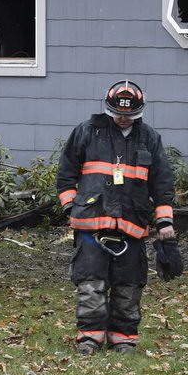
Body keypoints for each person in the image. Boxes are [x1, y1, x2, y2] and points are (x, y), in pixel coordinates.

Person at [56, 80, 175, 355]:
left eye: (129, 115)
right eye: (118, 113)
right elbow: (65, 175)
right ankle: (90, 338)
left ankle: (123, 338)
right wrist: (69, 207)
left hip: (132, 224)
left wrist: (164, 221)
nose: (123, 118)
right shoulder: (86, 132)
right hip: (91, 224)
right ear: (109, 109)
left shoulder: (150, 139)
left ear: (139, 112)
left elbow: (162, 184)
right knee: (90, 283)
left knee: (129, 285)